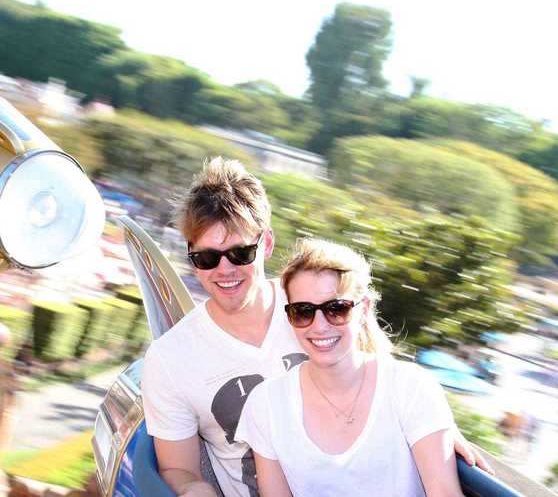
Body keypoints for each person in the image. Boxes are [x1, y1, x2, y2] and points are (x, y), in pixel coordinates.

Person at [141, 158, 489, 497]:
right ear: (190, 255)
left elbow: (381, 379)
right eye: (206, 258)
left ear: (267, 244)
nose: (224, 270)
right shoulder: (171, 358)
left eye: (240, 254)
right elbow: (177, 467)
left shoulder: (317, 307)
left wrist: (436, 429)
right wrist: (193, 489)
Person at [236, 238, 463, 496]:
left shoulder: (410, 387)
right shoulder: (267, 404)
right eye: (303, 311)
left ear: (363, 308)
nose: (319, 325)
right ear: (289, 316)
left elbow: (444, 491)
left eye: (337, 309)